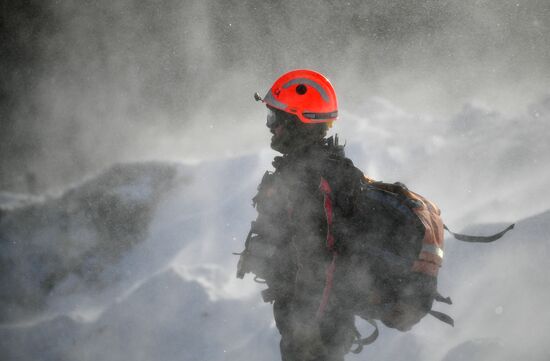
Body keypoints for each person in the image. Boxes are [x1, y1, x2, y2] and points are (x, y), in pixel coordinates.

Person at [237, 69, 365, 361]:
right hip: (307, 326)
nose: (271, 128)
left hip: (317, 334)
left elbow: (325, 261)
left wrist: (310, 330)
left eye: (276, 120)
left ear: (300, 123)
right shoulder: (300, 173)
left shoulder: (315, 180)